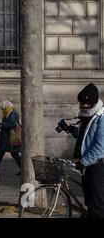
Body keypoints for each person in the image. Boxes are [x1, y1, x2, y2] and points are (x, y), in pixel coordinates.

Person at [57, 83, 104, 218]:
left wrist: (83, 162)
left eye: (85, 104)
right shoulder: (89, 115)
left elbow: (100, 147)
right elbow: (86, 136)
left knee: (97, 206)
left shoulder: (101, 117)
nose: (82, 107)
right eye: (81, 103)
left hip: (97, 167)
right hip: (88, 167)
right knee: (89, 202)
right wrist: (71, 129)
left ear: (93, 103)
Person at [0, 100, 21, 175]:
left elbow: (12, 124)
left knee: (2, 153)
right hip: (7, 137)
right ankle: (22, 168)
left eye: (3, 108)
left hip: (10, 138)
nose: (2, 110)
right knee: (6, 153)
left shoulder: (11, 113)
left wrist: (2, 125)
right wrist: (0, 125)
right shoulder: (9, 113)